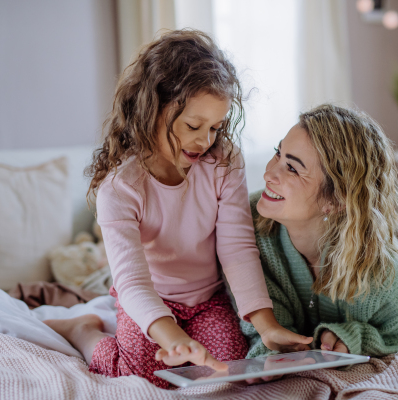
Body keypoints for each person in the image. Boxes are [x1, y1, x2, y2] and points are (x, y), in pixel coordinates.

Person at [44, 29, 311, 389]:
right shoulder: (120, 188)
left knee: (228, 365)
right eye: (193, 126)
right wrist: (170, 335)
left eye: (216, 127)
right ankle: (82, 330)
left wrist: (266, 325)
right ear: (153, 108)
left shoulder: (224, 163)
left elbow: (237, 248)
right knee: (140, 371)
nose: (206, 140)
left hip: (207, 297)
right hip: (148, 299)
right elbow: (132, 282)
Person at [241, 104, 398, 365]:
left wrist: (353, 337)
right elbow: (255, 330)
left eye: (292, 168)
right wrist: (272, 359)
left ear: (336, 200)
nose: (268, 173)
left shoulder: (382, 271)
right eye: (278, 153)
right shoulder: (242, 226)